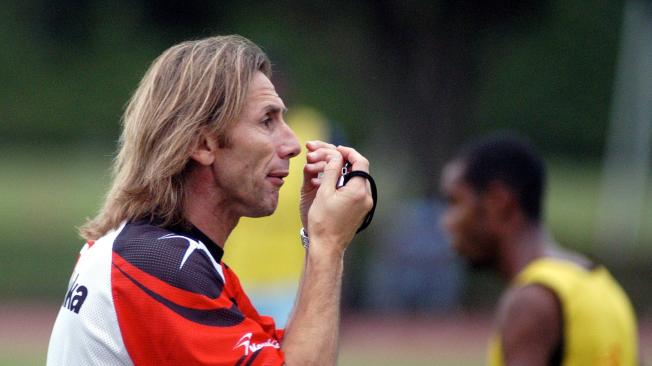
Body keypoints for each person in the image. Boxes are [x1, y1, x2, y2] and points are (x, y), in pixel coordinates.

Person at [46, 35, 374, 365]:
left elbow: (281, 356)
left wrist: (315, 237)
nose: (292, 145)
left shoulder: (154, 250)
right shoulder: (160, 264)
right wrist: (327, 242)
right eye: (267, 121)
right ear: (204, 145)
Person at [439, 133, 639, 366]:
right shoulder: (603, 287)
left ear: (498, 201)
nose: (447, 222)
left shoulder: (532, 300)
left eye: (455, 202)